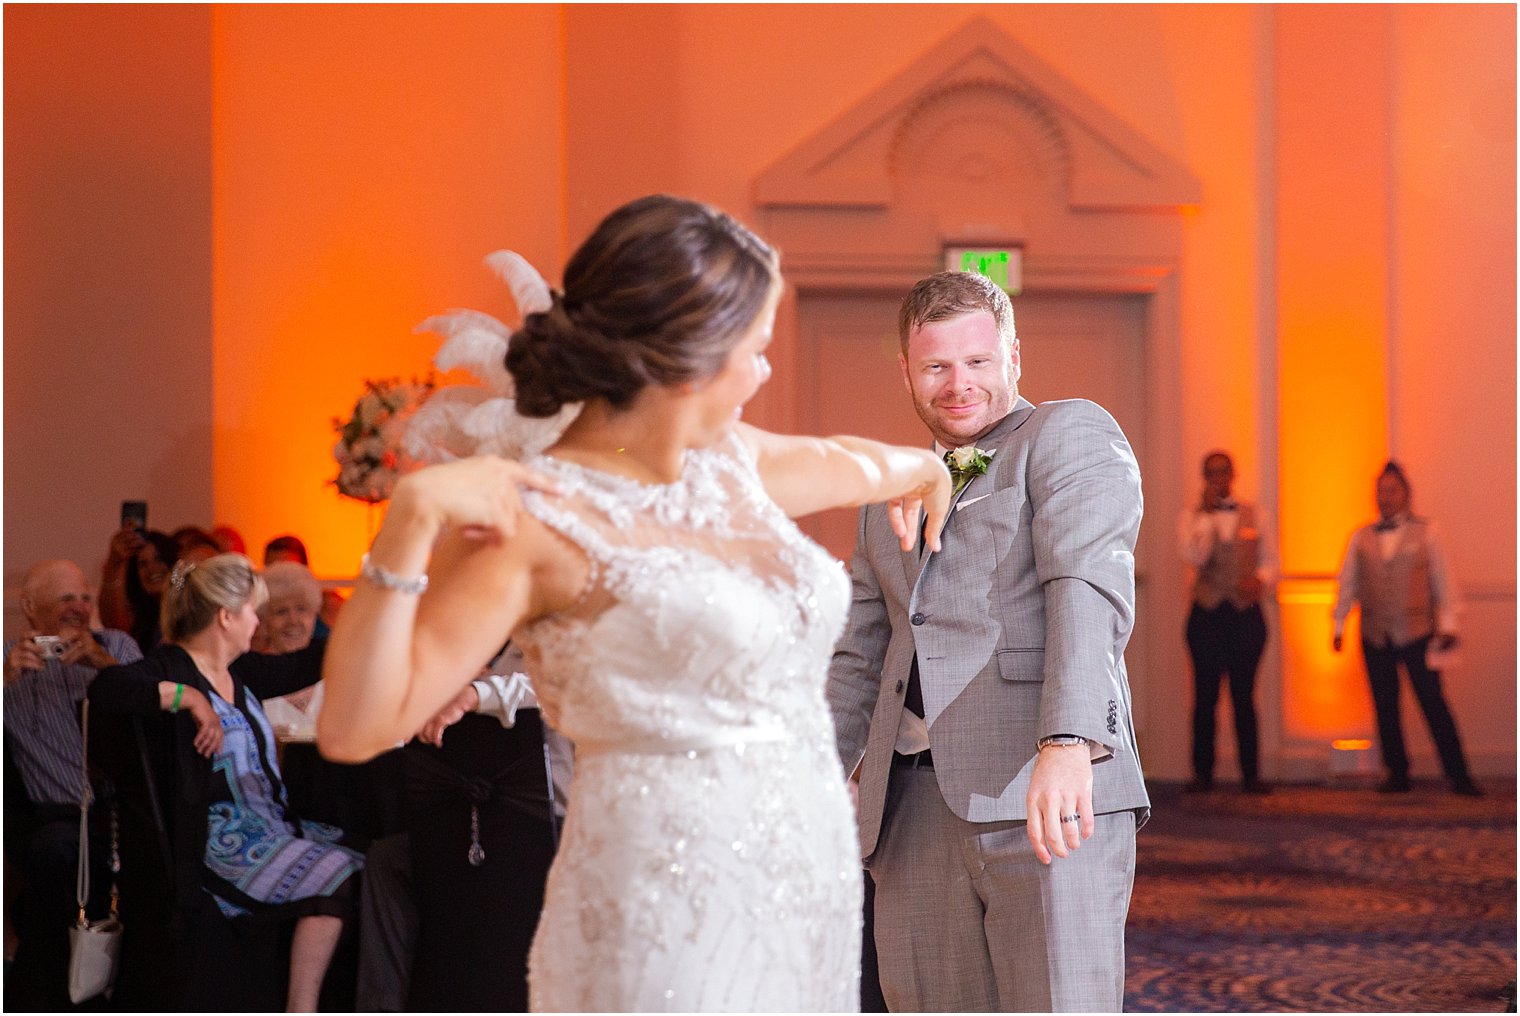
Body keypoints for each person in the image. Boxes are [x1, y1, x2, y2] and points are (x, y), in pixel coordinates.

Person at [320, 193, 952, 1012]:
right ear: (689, 353)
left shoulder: (733, 463)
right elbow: (353, 726)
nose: (764, 372)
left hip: (806, 883)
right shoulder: (534, 519)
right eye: (755, 350)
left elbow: (852, 461)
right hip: (660, 901)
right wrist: (407, 525)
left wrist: (928, 471)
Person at [826, 270, 1149, 1012]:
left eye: (976, 362)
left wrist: (1070, 743)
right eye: (936, 366)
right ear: (906, 371)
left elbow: (1086, 588)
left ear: (1013, 359)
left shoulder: (1066, 434)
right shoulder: (890, 495)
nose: (957, 384)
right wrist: (811, 784)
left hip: (1042, 789)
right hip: (909, 811)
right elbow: (859, 658)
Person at [89, 554, 363, 1011]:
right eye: (254, 610)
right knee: (337, 872)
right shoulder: (173, 667)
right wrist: (188, 696)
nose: (258, 621)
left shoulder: (241, 673)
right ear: (226, 616)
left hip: (272, 825)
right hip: (218, 842)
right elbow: (107, 691)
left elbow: (311, 661)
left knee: (375, 860)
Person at [3, 559, 141, 1010]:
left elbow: (155, 709)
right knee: (54, 855)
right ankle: (50, 996)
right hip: (54, 816)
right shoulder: (7, 659)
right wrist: (6, 679)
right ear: (29, 606)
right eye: (66, 599)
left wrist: (106, 666)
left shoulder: (116, 644)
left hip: (120, 810)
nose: (79, 608)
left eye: (85, 598)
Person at [1333, 461, 1481, 796]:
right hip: (1374, 633)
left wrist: (1449, 625)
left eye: (1391, 491)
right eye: (1380, 491)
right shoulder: (1360, 537)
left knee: (1433, 703)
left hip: (1417, 632)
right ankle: (1396, 773)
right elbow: (1347, 584)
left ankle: (1459, 774)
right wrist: (1339, 624)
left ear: (1406, 495)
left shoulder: (1428, 532)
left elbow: (1444, 583)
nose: (1384, 498)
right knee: (1385, 706)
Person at [1178, 450, 1277, 794]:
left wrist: (1261, 580)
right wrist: (1206, 518)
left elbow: (1270, 561)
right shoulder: (1190, 518)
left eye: (1223, 472)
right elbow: (1193, 557)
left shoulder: (1256, 515)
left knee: (1244, 696)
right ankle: (1202, 776)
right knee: (1205, 698)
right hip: (1206, 615)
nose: (1218, 479)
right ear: (1204, 477)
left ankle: (1251, 775)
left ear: (1233, 474)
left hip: (1245, 615)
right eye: (1211, 473)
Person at [99, 527, 178, 653]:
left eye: (158, 559)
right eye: (142, 564)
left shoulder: (189, 613)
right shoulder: (143, 620)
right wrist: (115, 561)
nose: (151, 569)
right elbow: (112, 623)